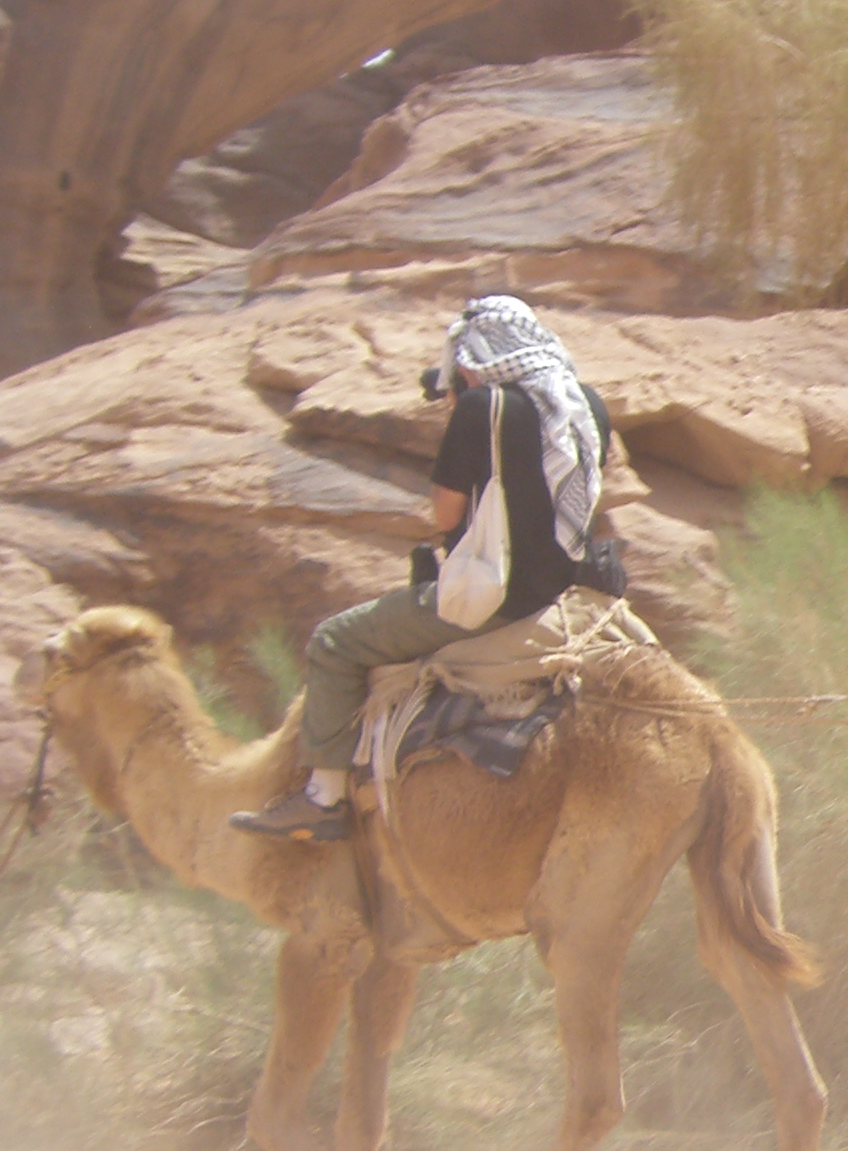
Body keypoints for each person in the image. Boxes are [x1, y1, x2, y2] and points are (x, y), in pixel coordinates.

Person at [231, 296, 618, 842]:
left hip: (496, 599)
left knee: (335, 642)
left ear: (472, 360)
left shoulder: (480, 408)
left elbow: (445, 512)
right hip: (567, 592)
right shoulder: (586, 405)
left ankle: (323, 797)